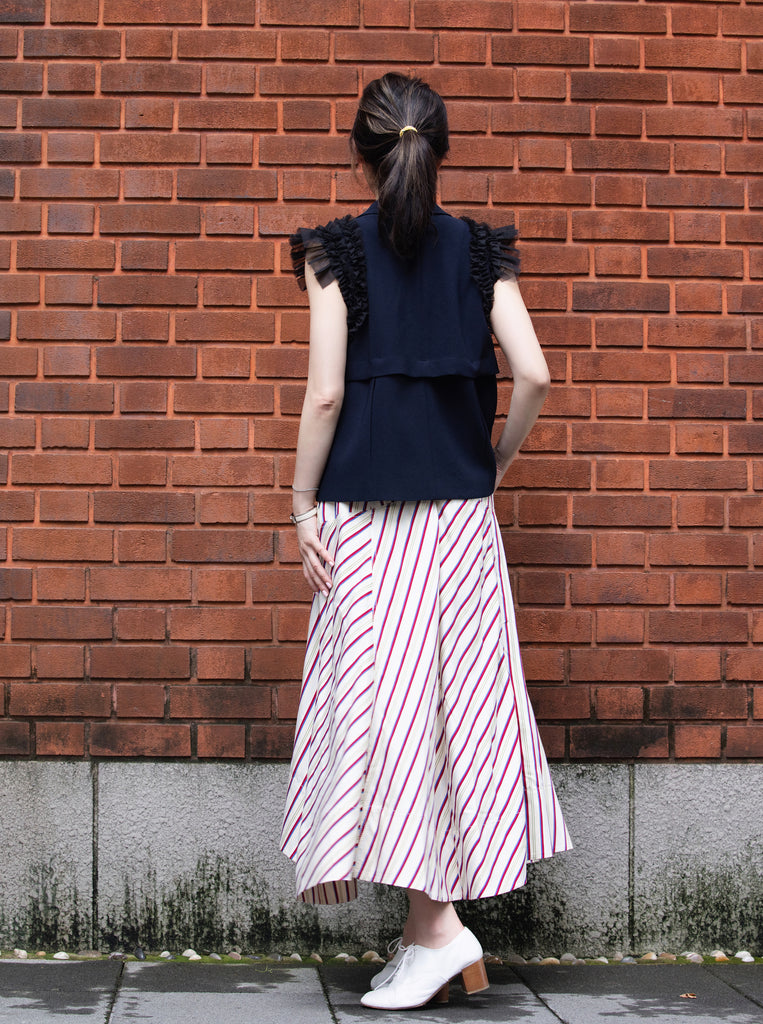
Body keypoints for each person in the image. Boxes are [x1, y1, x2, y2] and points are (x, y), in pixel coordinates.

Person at [280, 72, 571, 1011]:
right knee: (444, 722)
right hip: (459, 527)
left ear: (358, 156)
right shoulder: (482, 252)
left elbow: (325, 392)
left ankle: (439, 929)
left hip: (367, 525)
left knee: (387, 721)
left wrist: (297, 502)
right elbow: (530, 373)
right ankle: (427, 933)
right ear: (436, 151)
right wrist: (494, 462)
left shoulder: (334, 253)